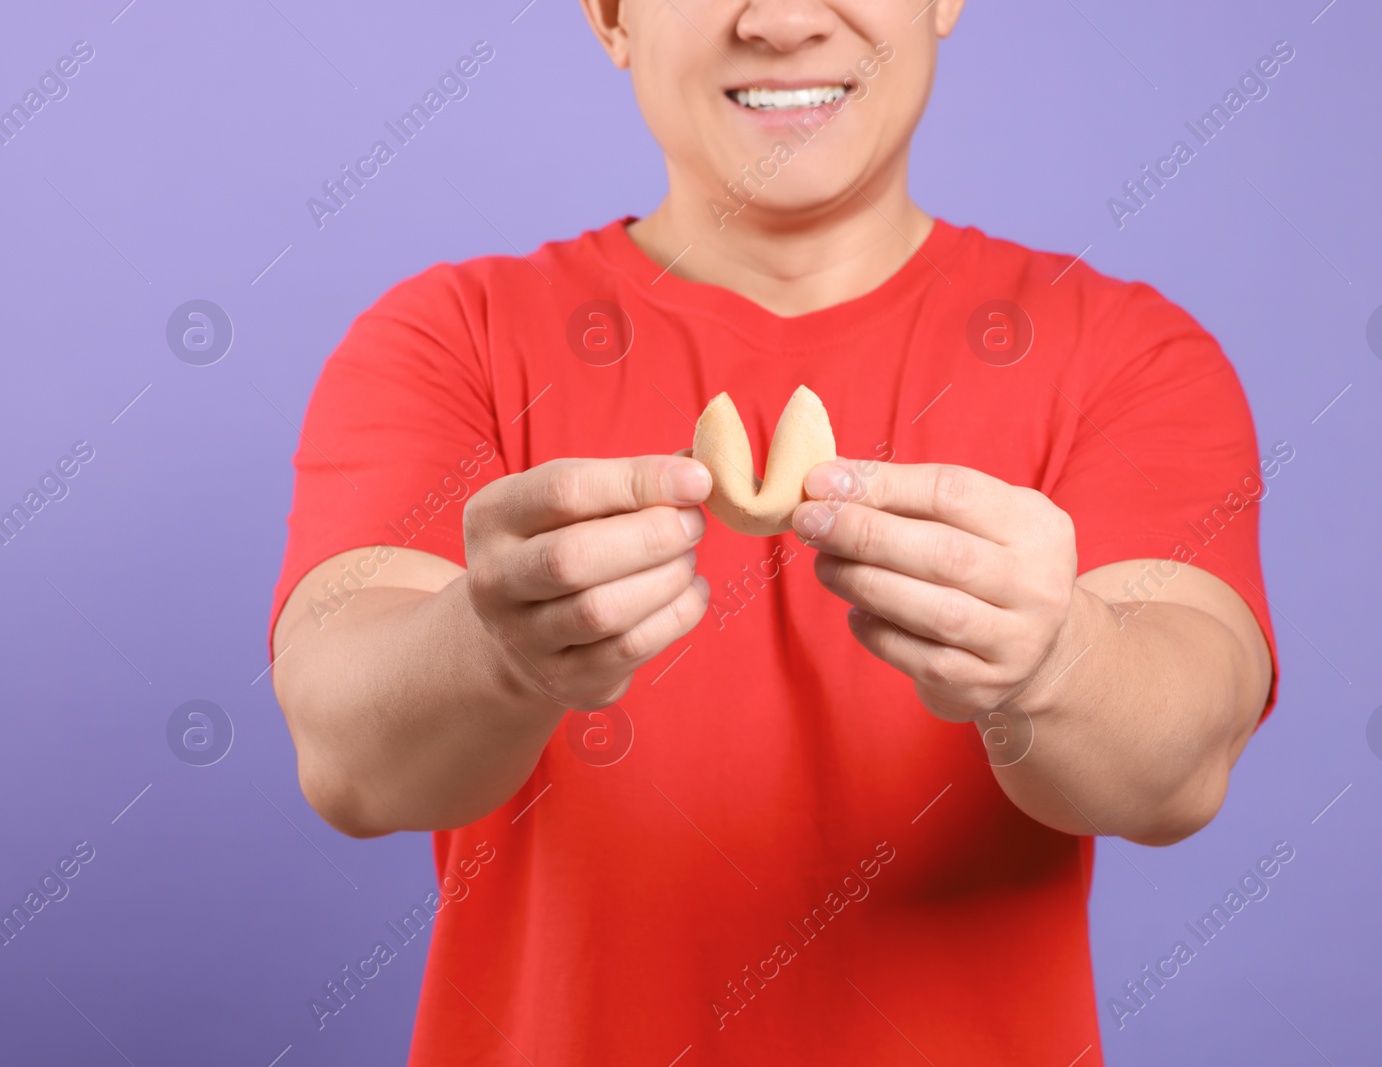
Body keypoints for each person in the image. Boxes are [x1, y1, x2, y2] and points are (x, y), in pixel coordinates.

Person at [268, 1, 1279, 1062]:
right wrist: (493, 649)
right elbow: (348, 756)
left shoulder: (1123, 353)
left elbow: (1179, 766)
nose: (785, 19)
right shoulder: (449, 339)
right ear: (611, 16)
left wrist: (1055, 656)